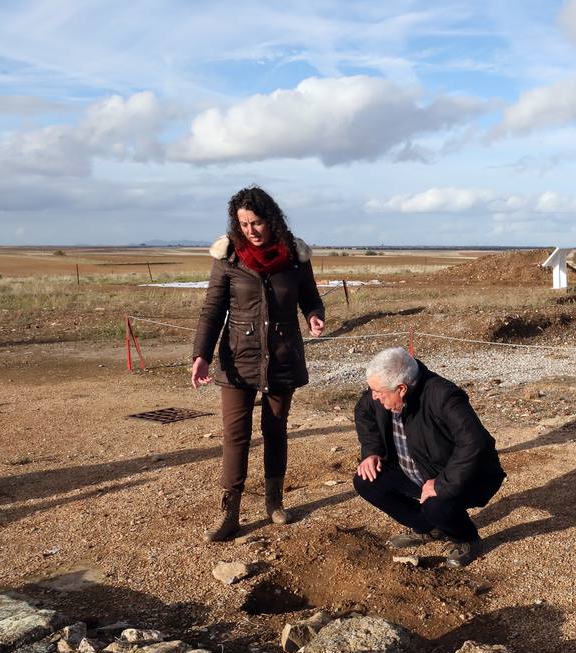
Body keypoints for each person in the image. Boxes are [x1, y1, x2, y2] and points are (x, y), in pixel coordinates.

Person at [191, 186, 325, 542]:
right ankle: (230, 514)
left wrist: (314, 315)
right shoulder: (228, 258)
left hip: (282, 359)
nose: (251, 230)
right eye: (244, 223)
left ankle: (274, 503)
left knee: (275, 431)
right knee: (236, 436)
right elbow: (212, 310)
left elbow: (310, 297)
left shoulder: (295, 257)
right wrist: (200, 355)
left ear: (272, 220)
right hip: (238, 359)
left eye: (257, 222)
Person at [353, 347, 505, 567]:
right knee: (366, 480)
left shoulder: (443, 396)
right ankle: (429, 528)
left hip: (462, 476)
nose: (374, 396)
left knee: (436, 503)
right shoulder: (382, 392)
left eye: (378, 392)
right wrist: (372, 451)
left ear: (402, 389)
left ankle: (467, 539)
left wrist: (442, 483)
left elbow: (474, 442)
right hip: (415, 470)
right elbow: (363, 412)